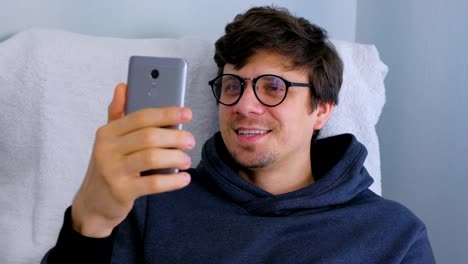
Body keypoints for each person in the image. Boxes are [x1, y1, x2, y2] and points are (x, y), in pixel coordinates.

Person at [42, 6, 435, 263]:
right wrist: (88, 223)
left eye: (273, 87)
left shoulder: (393, 235)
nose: (245, 105)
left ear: (322, 109)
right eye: (233, 86)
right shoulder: (150, 204)